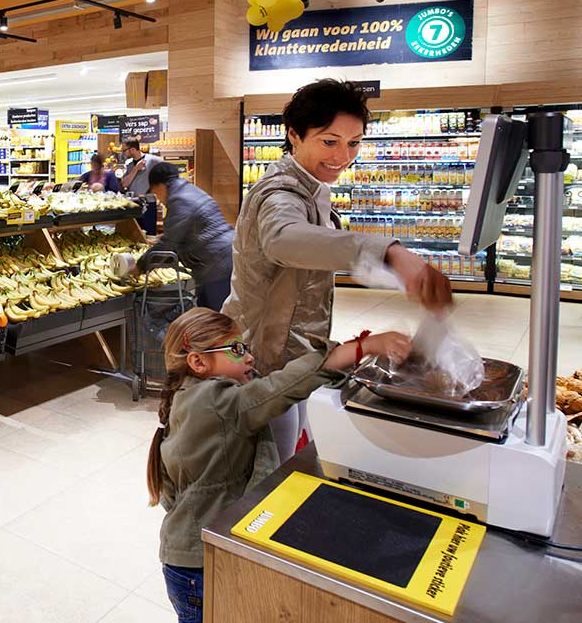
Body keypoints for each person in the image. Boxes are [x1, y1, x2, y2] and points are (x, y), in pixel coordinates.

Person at [222, 78, 453, 462]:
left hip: (293, 359)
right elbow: (285, 239)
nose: (343, 156)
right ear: (294, 135)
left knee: (290, 454)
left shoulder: (312, 191)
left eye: (354, 143)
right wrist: (389, 253)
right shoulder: (279, 193)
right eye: (329, 141)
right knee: (265, 473)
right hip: (260, 363)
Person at [146, 307, 410, 623]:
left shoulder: (185, 399)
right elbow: (281, 387)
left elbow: (170, 495)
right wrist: (362, 346)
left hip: (182, 560)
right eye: (235, 349)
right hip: (199, 568)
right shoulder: (218, 401)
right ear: (198, 362)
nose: (249, 357)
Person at [146, 163, 232, 309]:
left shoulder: (179, 200)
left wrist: (141, 265)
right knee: (208, 315)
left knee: (218, 319)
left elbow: (169, 244)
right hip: (220, 258)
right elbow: (185, 231)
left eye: (155, 193)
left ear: (160, 185)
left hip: (217, 264)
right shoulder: (188, 190)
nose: (158, 199)